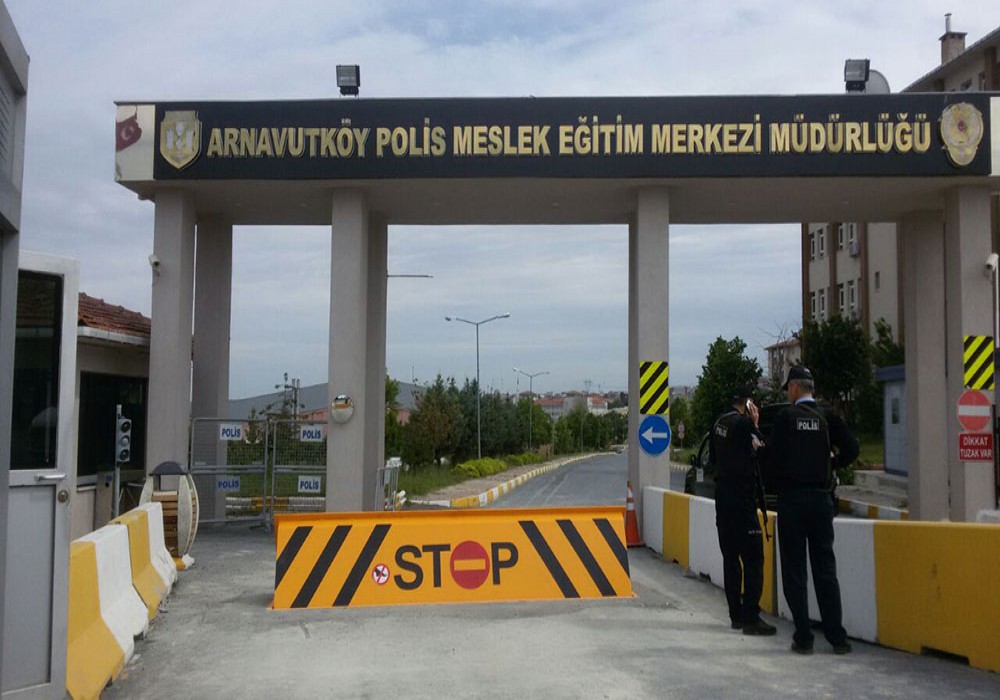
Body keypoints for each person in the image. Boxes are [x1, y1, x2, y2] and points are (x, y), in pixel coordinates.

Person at [767, 365, 859, 655]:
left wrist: (776, 484)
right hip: (821, 501)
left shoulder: (786, 418)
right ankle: (837, 638)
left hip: (793, 501)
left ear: (794, 387)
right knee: (825, 570)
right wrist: (832, 463)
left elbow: (772, 459)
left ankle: (804, 637)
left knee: (795, 572)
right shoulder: (828, 417)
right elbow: (853, 449)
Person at [709, 385, 775, 636]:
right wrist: (756, 424)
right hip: (742, 498)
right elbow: (764, 451)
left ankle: (735, 615)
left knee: (730, 557)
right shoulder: (745, 425)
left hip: (722, 497)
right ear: (748, 404)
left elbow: (713, 459)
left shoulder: (718, 423)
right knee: (754, 558)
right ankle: (751, 617)